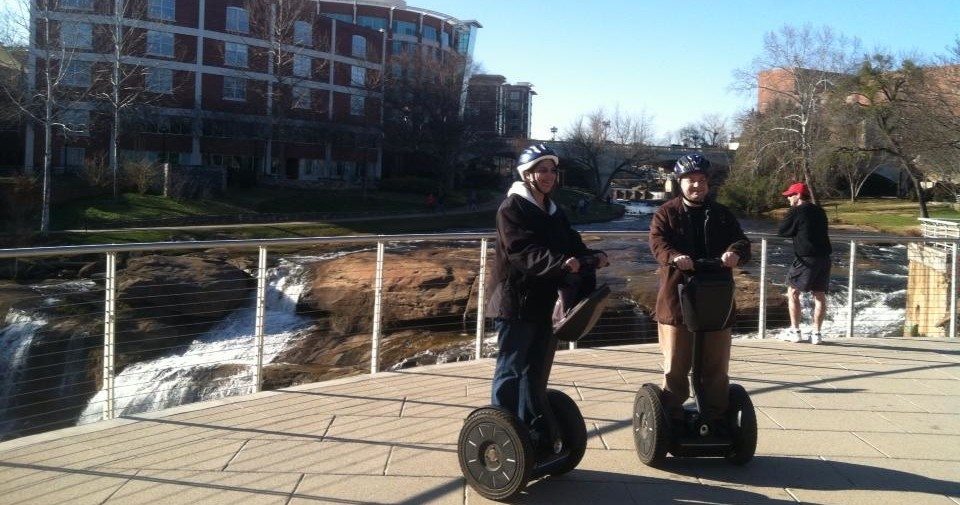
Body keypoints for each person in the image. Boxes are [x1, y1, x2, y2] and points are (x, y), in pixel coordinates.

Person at [487, 143, 609, 451]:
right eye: (541, 169)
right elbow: (522, 252)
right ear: (527, 174)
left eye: (552, 170)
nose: (549, 175)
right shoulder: (512, 207)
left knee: (536, 371)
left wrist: (592, 256)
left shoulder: (553, 210)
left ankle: (533, 431)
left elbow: (572, 242)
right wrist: (561, 263)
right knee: (511, 370)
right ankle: (502, 434)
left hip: (546, 303)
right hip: (515, 302)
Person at [649, 153, 751, 431]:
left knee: (715, 368)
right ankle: (673, 416)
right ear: (680, 183)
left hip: (716, 301)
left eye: (702, 180)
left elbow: (741, 241)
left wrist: (735, 252)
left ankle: (716, 416)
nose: (697, 186)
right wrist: (674, 256)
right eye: (691, 181)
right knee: (676, 368)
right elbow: (658, 244)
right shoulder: (665, 213)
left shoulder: (720, 214)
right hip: (678, 301)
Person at [778, 182, 832, 345]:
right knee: (820, 295)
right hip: (824, 257)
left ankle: (795, 332)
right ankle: (817, 334)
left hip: (806, 258)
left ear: (799, 195)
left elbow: (782, 231)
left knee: (793, 293)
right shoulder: (820, 211)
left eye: (790, 195)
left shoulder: (796, 211)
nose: (788, 198)